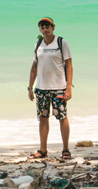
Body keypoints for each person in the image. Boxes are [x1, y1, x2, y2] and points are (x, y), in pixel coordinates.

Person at [27, 17, 73, 159]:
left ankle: (65, 149)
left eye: (47, 26)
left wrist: (68, 87)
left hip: (58, 87)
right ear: (40, 29)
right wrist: (30, 87)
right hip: (41, 88)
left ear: (53, 27)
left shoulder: (61, 42)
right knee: (43, 118)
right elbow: (34, 66)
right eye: (42, 27)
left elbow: (69, 65)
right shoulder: (38, 44)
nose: (45, 29)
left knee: (62, 117)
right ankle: (42, 150)